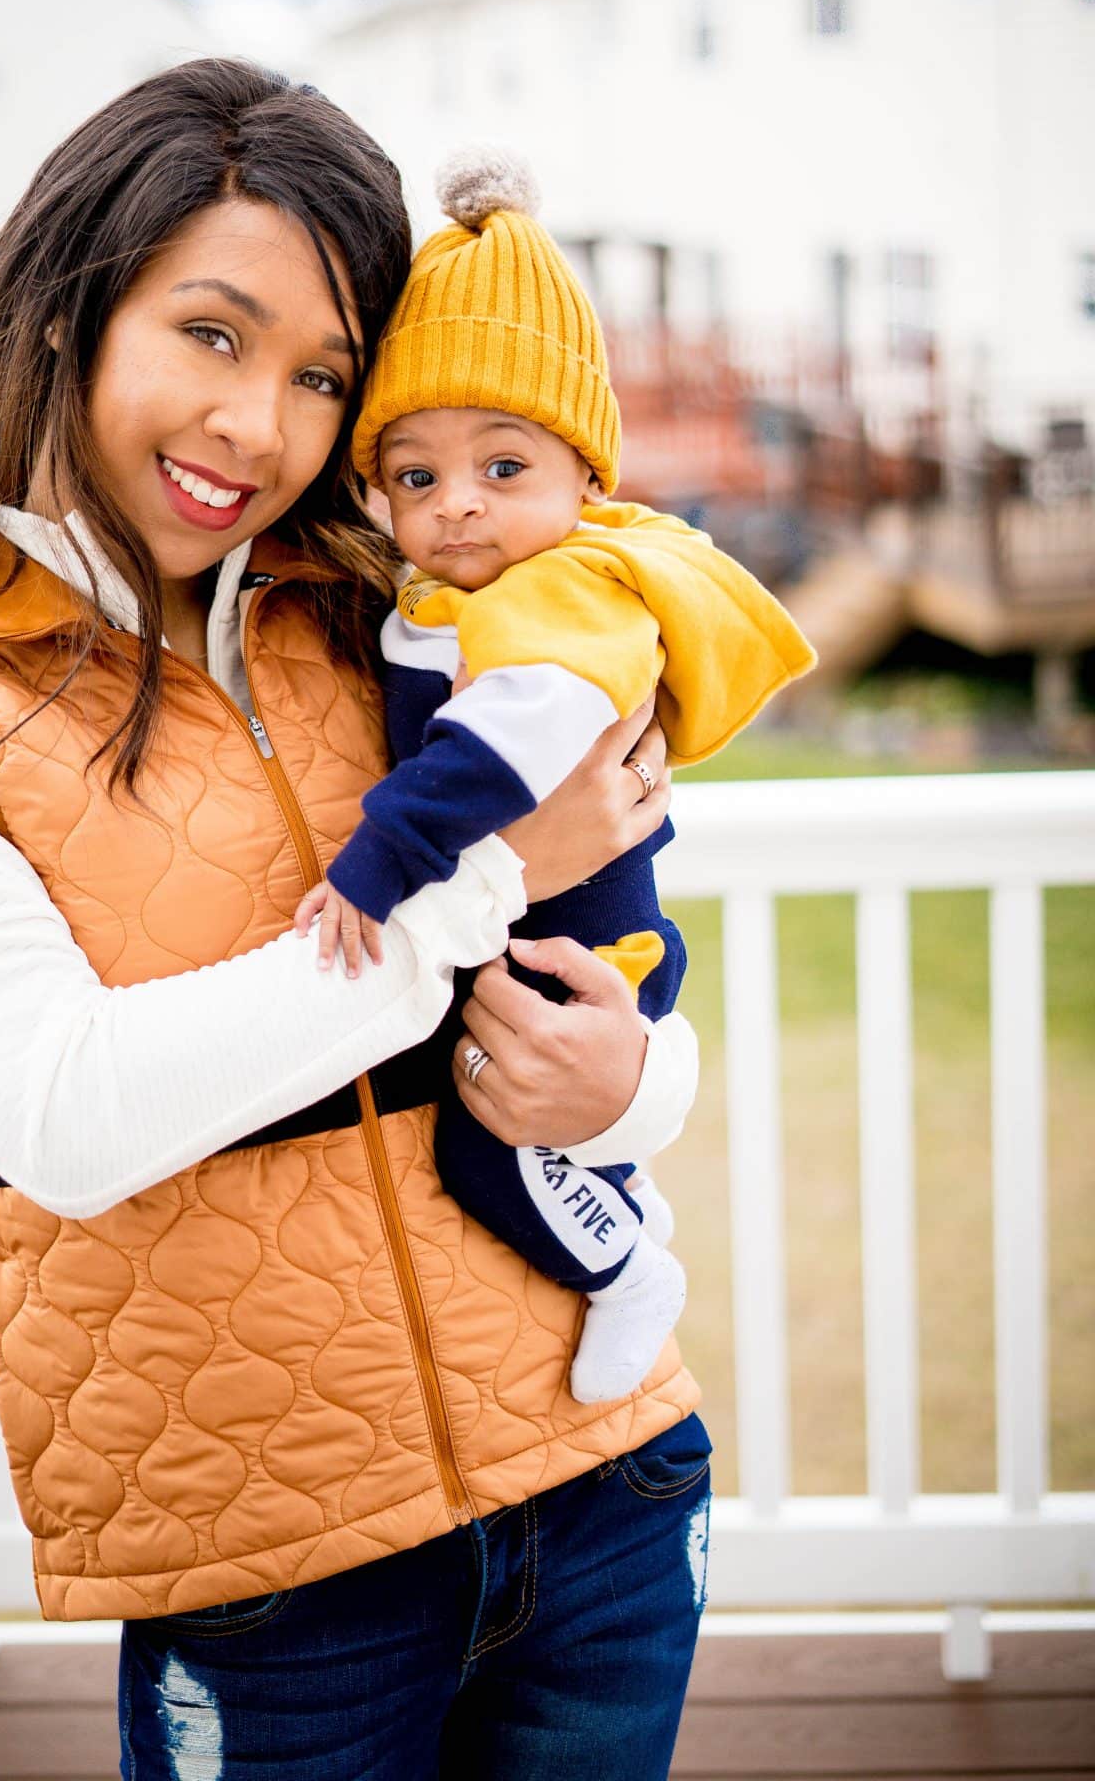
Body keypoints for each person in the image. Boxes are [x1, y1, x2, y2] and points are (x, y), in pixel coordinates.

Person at [0, 61, 712, 1779]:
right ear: (72, 308)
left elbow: (620, 964)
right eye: (212, 334)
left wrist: (633, 1092)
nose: (259, 430)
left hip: (606, 1481)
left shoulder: (412, 606)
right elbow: (66, 1111)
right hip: (278, 1578)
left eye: (320, 375)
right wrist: (482, 876)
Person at [296, 149, 816, 1409]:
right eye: (415, 476)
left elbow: (507, 751)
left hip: (576, 941)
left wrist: (373, 863)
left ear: (587, 477)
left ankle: (632, 1267)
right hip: (524, 929)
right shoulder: (452, 596)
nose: (459, 506)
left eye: (505, 468)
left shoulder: (562, 592)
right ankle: (624, 1228)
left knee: (494, 1157)